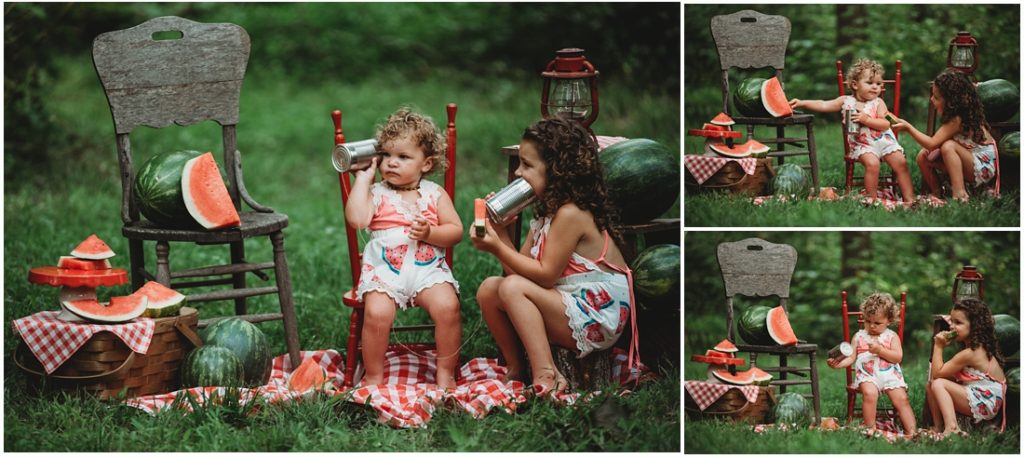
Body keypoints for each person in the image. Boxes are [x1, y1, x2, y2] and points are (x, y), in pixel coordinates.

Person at [471, 117, 637, 395]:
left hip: (597, 312)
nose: (517, 174)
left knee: (511, 289)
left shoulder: (571, 213)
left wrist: (497, 247)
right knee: (490, 289)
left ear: (558, 170)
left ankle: (548, 374)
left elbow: (545, 276)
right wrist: (500, 233)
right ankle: (517, 369)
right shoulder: (546, 214)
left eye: (527, 165)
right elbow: (518, 272)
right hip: (569, 300)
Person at [345, 107, 463, 389]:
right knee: (376, 313)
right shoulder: (376, 193)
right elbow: (358, 219)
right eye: (385, 155)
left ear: (426, 164)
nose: (391, 163)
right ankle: (374, 374)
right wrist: (363, 180)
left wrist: (431, 232)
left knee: (448, 307)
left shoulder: (435, 194)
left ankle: (445, 371)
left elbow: (455, 231)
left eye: (403, 157)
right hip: (384, 271)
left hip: (427, 270)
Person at [788, 58, 915, 207]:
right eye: (870, 83)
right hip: (863, 145)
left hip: (885, 141)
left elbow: (886, 123)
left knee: (901, 163)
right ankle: (872, 200)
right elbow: (823, 104)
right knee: (873, 164)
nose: (875, 87)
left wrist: (866, 119)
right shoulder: (846, 101)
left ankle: (910, 199)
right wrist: (802, 102)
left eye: (879, 84)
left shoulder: (879, 103)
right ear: (855, 85)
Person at [890, 70, 997, 202]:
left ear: (951, 101)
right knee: (923, 156)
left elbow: (932, 143)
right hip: (970, 160)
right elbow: (932, 145)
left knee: (948, 146)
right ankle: (937, 192)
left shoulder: (957, 119)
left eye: (936, 97)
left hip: (983, 166)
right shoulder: (956, 115)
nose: (931, 99)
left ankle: (960, 194)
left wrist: (909, 128)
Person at [828, 292, 917, 438]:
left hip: (890, 375)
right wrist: (838, 364)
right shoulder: (859, 336)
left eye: (877, 323)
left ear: (889, 320)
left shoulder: (891, 336)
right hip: (867, 375)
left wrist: (881, 350)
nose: (872, 326)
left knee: (901, 399)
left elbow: (897, 357)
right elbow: (851, 358)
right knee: (870, 394)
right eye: (868, 321)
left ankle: (912, 432)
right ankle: (870, 428)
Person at [925, 298, 1006, 438]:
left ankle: (952, 428)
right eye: (952, 321)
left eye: (958, 322)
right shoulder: (974, 347)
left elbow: (938, 373)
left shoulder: (972, 353)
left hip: (986, 401)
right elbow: (937, 374)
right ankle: (938, 427)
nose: (951, 326)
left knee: (938, 383)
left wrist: (938, 346)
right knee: (931, 384)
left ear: (974, 326)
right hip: (978, 392)